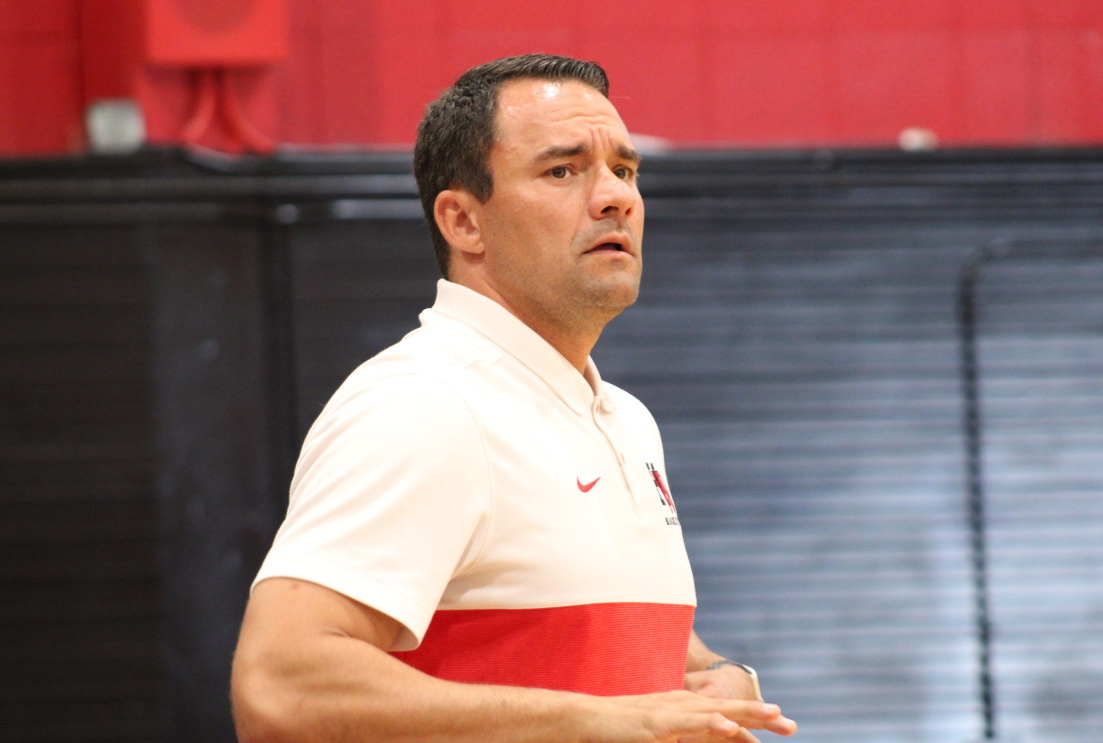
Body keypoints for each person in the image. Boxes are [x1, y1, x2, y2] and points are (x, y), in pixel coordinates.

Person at [230, 54, 796, 743]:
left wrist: (716, 673)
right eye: (563, 170)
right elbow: (281, 684)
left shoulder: (624, 418)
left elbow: (578, 620)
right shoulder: (426, 402)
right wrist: (595, 722)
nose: (614, 195)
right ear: (464, 222)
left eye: (624, 169)